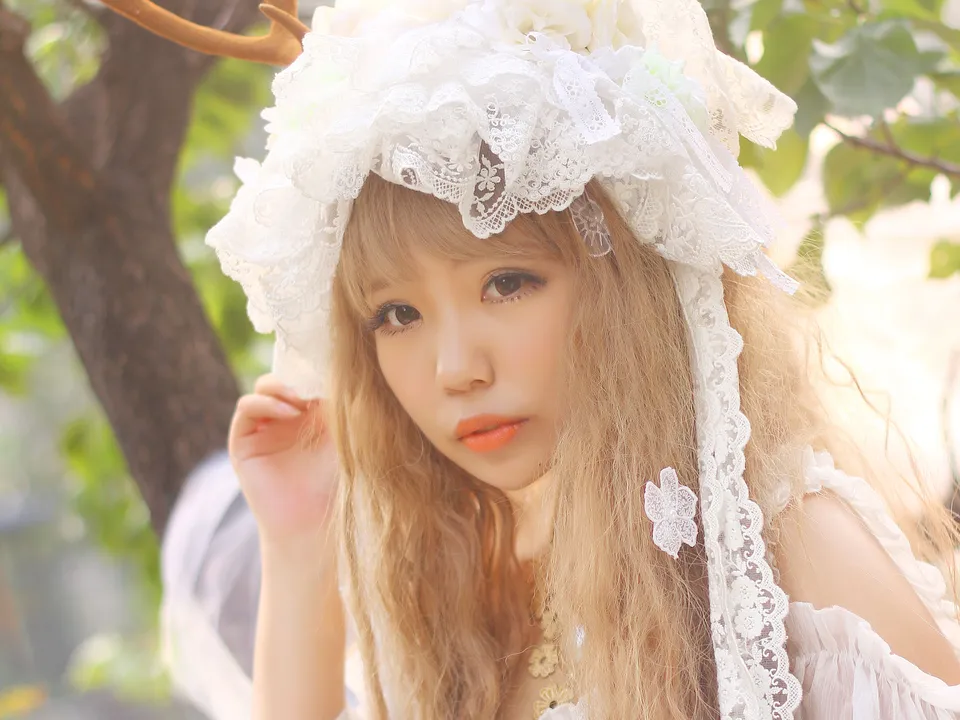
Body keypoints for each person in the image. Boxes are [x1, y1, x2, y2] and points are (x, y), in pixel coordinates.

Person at [131, 0, 960, 718]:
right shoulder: (475, 600)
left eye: (506, 283)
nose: (455, 368)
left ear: (626, 281)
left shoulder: (790, 553)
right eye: (397, 314)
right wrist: (299, 545)